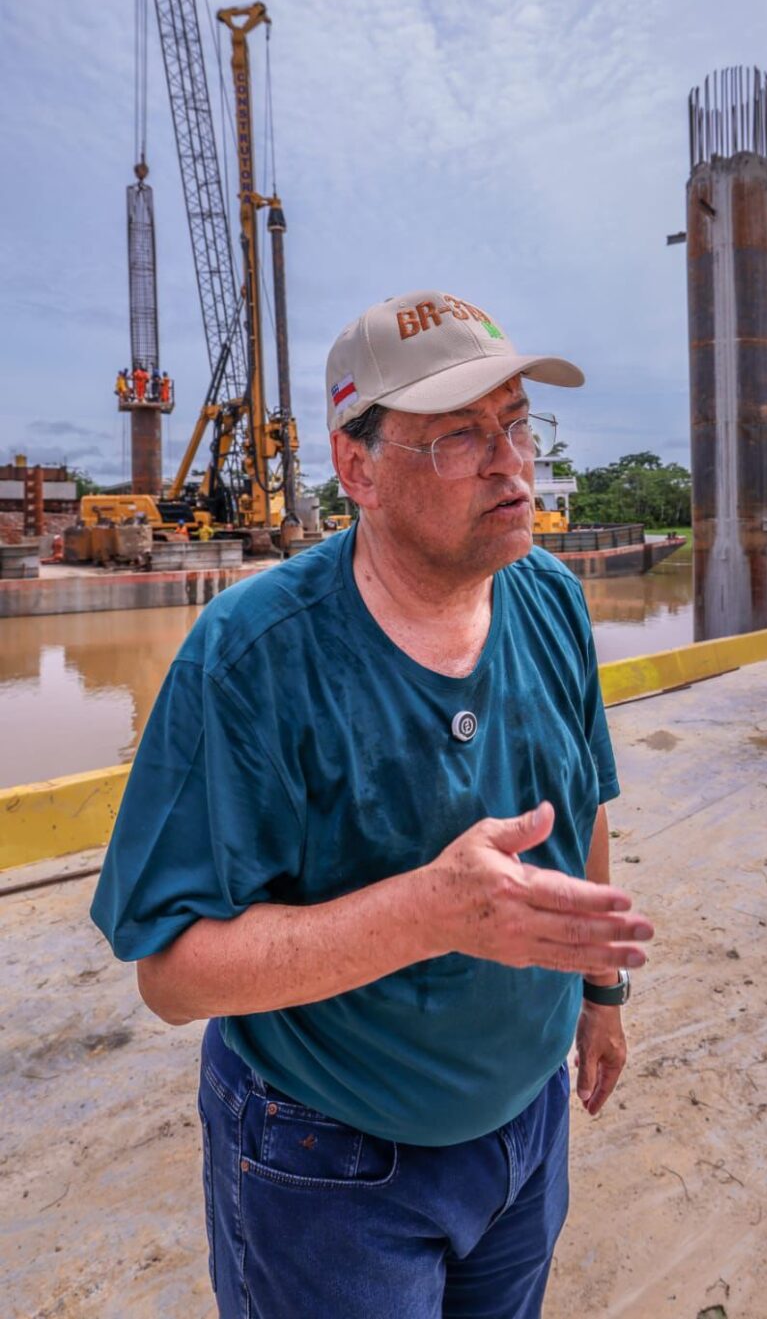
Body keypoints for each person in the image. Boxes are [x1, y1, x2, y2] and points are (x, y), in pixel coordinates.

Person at [91, 291, 653, 1318]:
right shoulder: (252, 656)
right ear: (358, 469)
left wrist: (601, 993)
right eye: (459, 438)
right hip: (330, 1163)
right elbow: (171, 975)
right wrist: (427, 913)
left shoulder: (550, 599)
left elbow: (582, 812)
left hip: (529, 1124)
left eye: (518, 424)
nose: (512, 465)